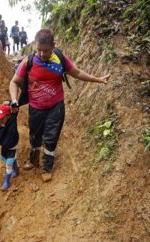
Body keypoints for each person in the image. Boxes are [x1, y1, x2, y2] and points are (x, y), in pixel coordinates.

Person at [9, 29, 110, 182]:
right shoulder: (28, 62)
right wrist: (14, 99)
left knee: (51, 137)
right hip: (36, 108)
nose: (42, 54)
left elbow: (77, 72)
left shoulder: (60, 59)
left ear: (53, 46)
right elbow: (14, 82)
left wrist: (98, 79)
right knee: (35, 136)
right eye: (39, 50)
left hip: (56, 107)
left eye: (46, 50)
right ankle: (34, 158)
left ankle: (47, 166)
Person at [0, 103, 19, 190]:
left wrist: (10, 102)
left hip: (12, 147)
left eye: (1, 118)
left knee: (8, 164)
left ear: (7, 116)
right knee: (4, 159)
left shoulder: (12, 122)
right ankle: (16, 167)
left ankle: (6, 181)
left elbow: (15, 107)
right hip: (4, 147)